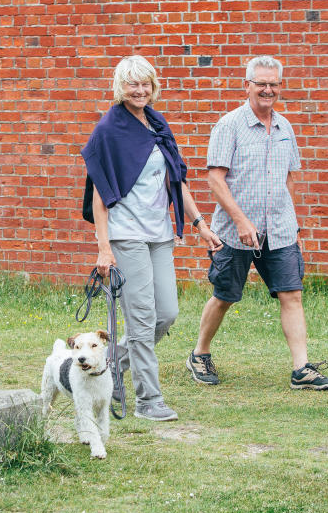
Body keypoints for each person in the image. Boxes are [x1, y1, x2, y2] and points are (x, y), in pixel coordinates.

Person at [185, 55, 328, 391]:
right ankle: (200, 354)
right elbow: (215, 180)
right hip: (235, 233)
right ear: (248, 86)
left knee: (292, 295)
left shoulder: (285, 127)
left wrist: (294, 227)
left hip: (280, 230)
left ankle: (302, 369)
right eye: (261, 84)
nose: (268, 90)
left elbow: (289, 179)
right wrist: (241, 220)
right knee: (225, 295)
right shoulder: (229, 125)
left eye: (273, 84)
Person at [82, 55, 223, 421]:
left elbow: (177, 181)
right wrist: (103, 249)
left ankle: (106, 369)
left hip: (160, 235)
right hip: (126, 236)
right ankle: (148, 400)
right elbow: (99, 197)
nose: (140, 90)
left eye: (145, 83)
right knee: (142, 321)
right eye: (132, 84)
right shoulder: (108, 130)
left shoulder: (158, 125)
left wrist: (200, 225)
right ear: (120, 86)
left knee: (167, 314)